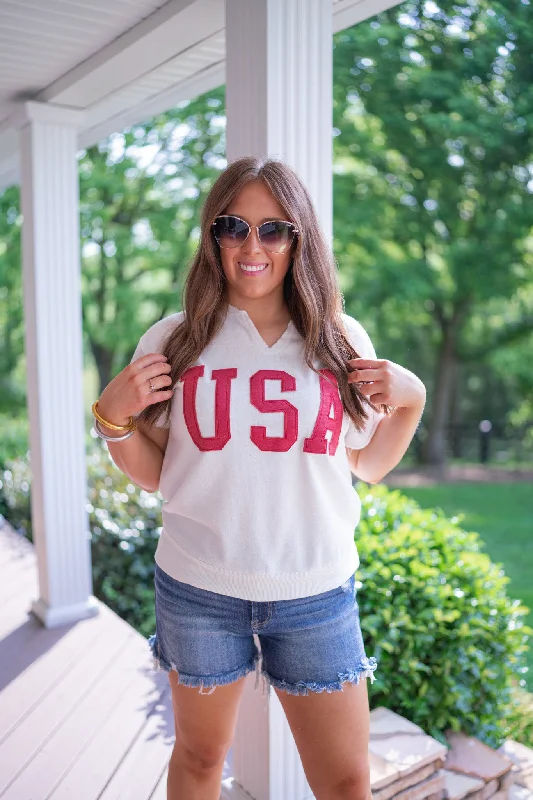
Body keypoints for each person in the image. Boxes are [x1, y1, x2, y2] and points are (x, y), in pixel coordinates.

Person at [92, 156, 426, 800]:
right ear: (212, 237)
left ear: (298, 237)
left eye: (273, 229)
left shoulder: (337, 339)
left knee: (346, 780)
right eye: (233, 226)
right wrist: (111, 417)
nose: (253, 246)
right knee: (197, 759)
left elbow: (371, 464)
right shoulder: (174, 338)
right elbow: (158, 473)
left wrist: (411, 401)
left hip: (315, 588)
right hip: (198, 587)